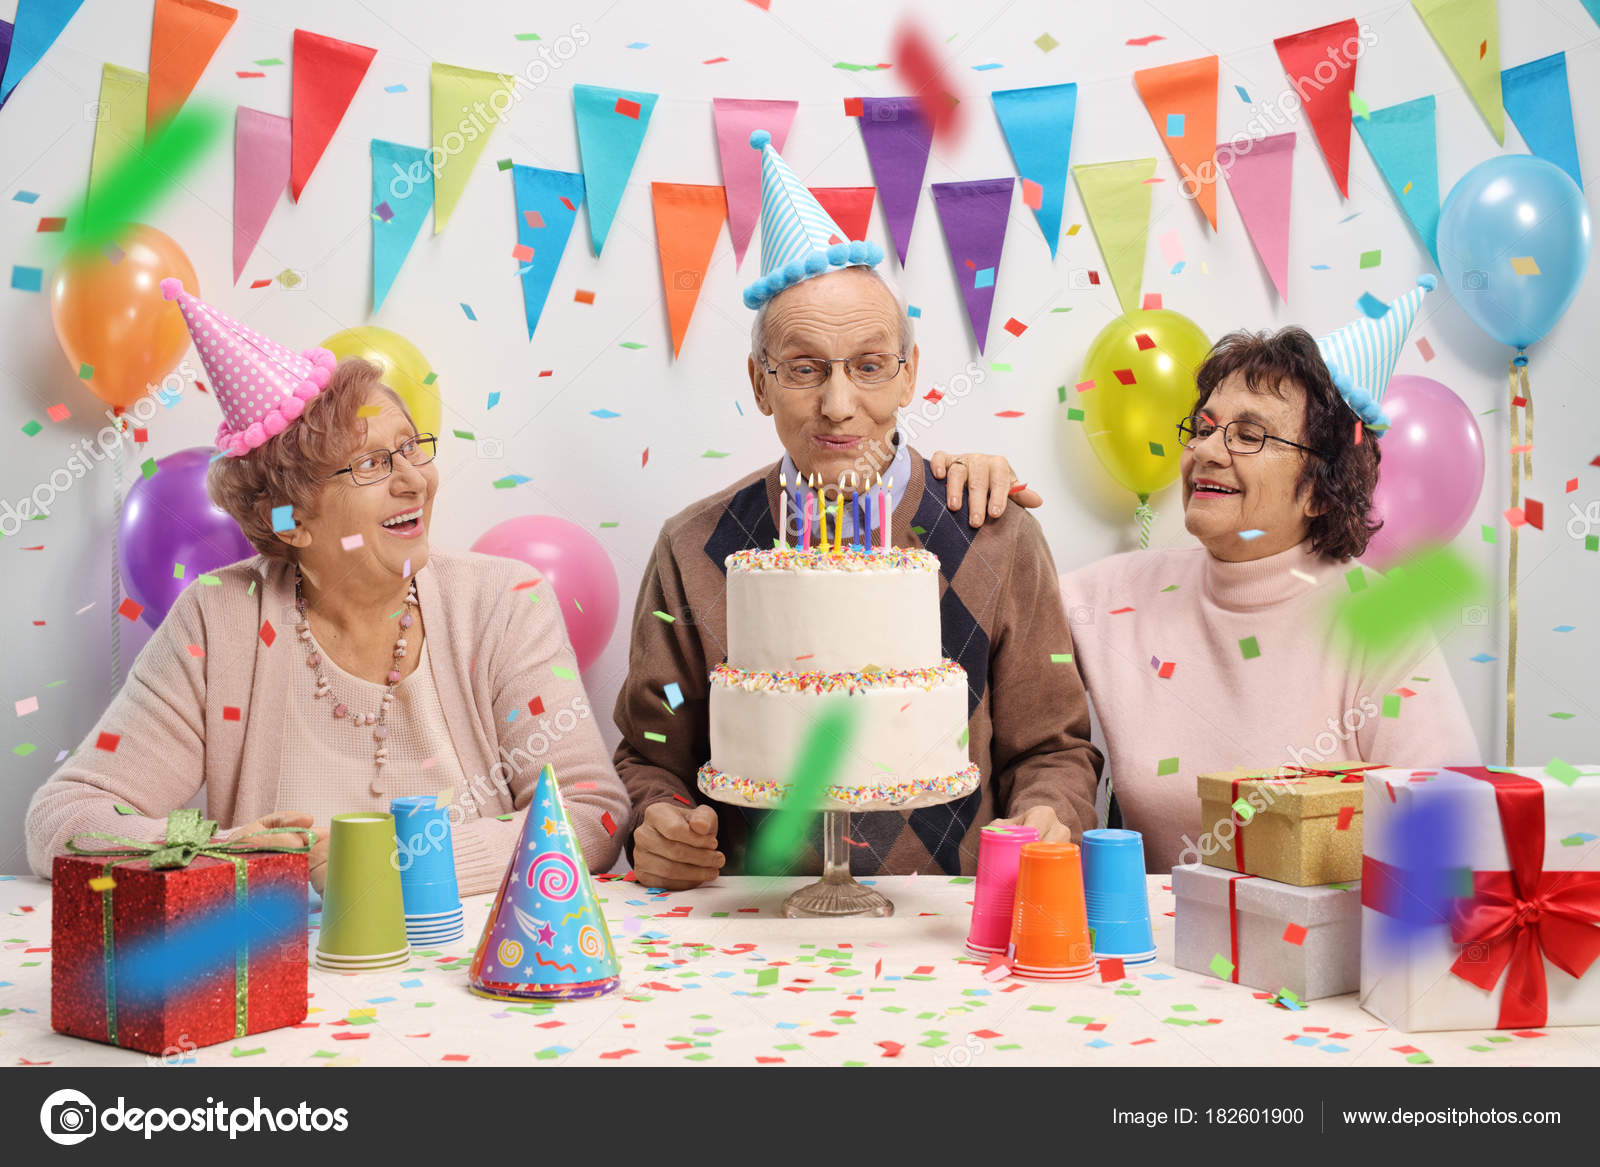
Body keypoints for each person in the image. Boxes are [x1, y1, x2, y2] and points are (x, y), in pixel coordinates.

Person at [25, 281, 628, 894]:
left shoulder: (503, 602)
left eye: (411, 448)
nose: (415, 481)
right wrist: (223, 850)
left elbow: (590, 814)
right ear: (294, 517)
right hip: (280, 976)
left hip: (470, 966)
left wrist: (395, 865)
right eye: (371, 464)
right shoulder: (219, 617)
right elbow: (63, 821)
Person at [615, 130, 1101, 890]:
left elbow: (1056, 750)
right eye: (805, 369)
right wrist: (659, 818)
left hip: (949, 932)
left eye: (869, 367)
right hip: (753, 933)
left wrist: (1048, 814)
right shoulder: (693, 548)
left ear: (910, 375)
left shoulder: (995, 532)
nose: (839, 406)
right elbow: (653, 751)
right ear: (759, 381)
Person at [1057, 277, 1481, 872]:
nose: (1205, 450)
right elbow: (997, 614)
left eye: (1249, 435)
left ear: (1319, 490)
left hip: (1328, 954)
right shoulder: (1113, 595)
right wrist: (966, 482)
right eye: (1203, 428)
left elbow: (1453, 831)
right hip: (1159, 957)